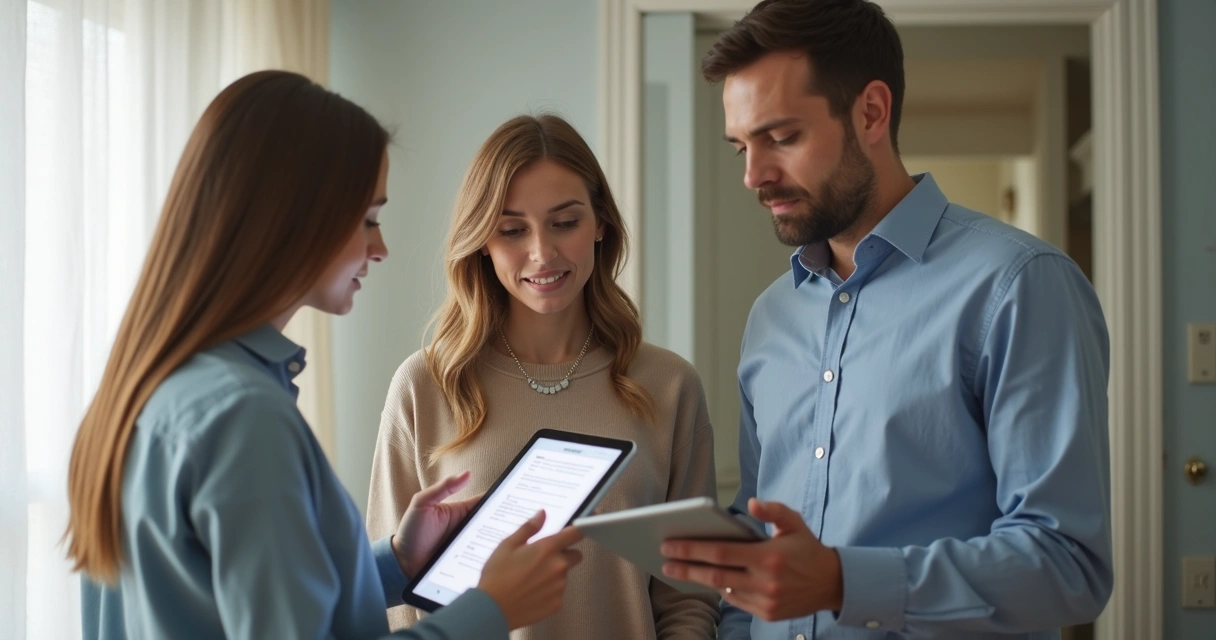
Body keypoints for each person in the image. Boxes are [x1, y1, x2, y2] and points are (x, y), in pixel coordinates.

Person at [66, 70, 584, 640]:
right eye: (368, 219)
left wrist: (397, 561)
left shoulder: (154, 390)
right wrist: (492, 607)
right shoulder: (244, 418)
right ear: (289, 219)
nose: (380, 248)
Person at [658, 1, 1114, 638]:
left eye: (781, 137)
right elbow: (759, 542)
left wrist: (845, 581)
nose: (753, 175)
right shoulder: (772, 316)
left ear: (871, 112)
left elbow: (1069, 567)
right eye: (741, 145)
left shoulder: (1018, 285)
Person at [365, 114, 720, 639]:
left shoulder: (670, 386)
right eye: (512, 230)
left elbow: (690, 595)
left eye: (565, 222)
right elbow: (399, 607)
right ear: (482, 240)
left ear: (601, 223)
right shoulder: (426, 385)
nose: (542, 252)